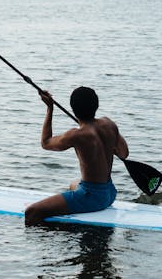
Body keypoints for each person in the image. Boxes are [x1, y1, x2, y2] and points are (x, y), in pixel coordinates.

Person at [24, 86, 129, 225]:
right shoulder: (109, 124)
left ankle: (66, 232)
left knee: (31, 212)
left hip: (92, 198)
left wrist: (50, 108)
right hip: (110, 193)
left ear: (73, 110)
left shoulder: (77, 135)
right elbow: (124, 153)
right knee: (73, 184)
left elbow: (45, 143)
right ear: (96, 105)